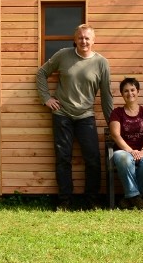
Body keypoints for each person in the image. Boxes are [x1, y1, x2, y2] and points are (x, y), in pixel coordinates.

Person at [36, 24, 113, 210]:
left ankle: (92, 200)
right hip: (62, 114)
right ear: (75, 39)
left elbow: (106, 95)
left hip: (86, 116)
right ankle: (64, 201)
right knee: (63, 158)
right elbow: (42, 73)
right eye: (80, 37)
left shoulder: (101, 63)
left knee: (93, 159)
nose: (84, 41)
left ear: (93, 41)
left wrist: (112, 123)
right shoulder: (63, 55)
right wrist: (46, 98)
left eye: (87, 38)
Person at [108, 77, 143, 210]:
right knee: (123, 158)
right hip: (123, 151)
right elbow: (115, 135)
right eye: (126, 91)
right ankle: (136, 198)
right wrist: (131, 151)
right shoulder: (116, 113)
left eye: (132, 90)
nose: (130, 93)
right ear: (122, 94)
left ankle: (129, 198)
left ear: (138, 91)